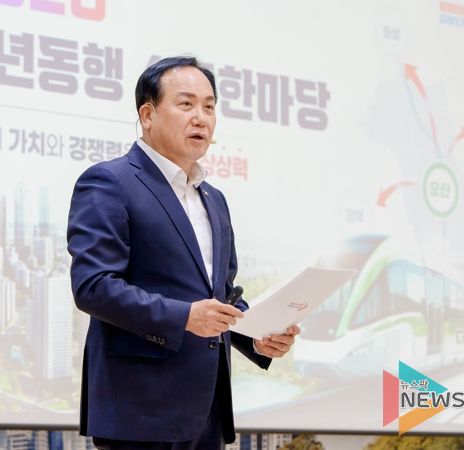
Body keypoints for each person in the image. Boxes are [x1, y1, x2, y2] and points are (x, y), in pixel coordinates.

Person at [67, 56, 299, 450]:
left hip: (207, 411)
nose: (201, 118)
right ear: (148, 115)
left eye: (209, 107)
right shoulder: (110, 182)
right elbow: (93, 286)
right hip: (141, 410)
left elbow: (223, 295)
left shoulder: (214, 199)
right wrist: (184, 317)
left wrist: (256, 336)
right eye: (186, 104)